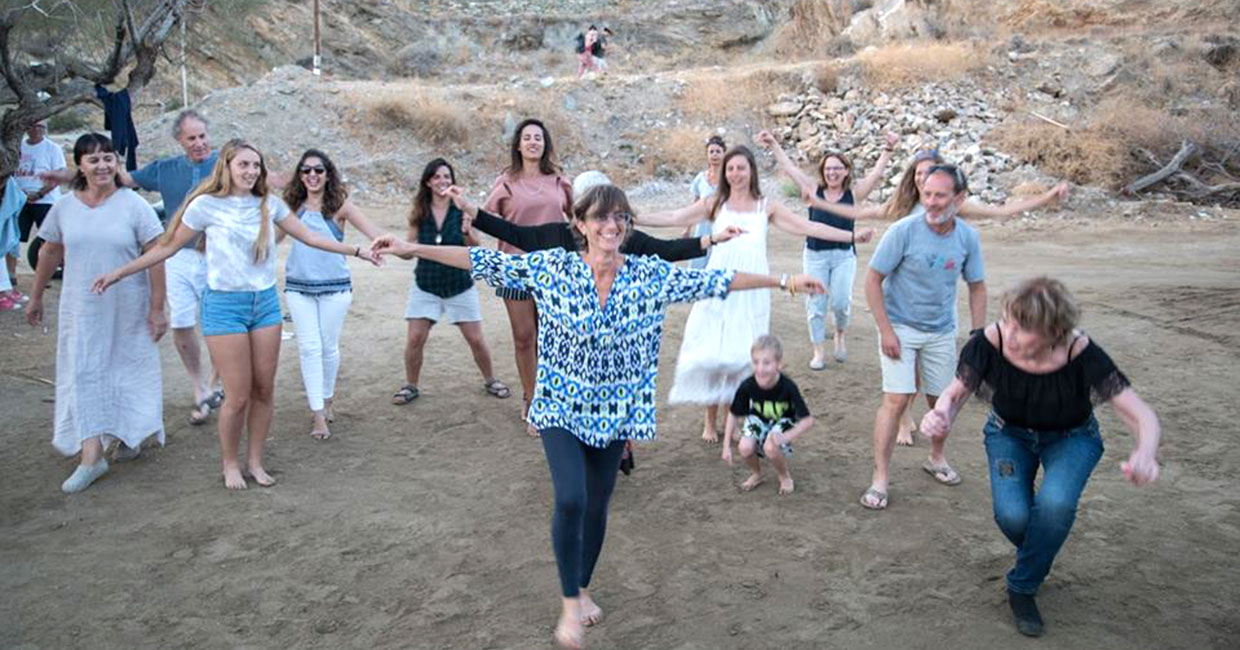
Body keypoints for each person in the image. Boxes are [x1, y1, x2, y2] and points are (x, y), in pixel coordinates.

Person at [369, 183, 825, 650]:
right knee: (570, 498)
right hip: (560, 405)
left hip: (616, 409)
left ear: (626, 226)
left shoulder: (649, 275)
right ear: (581, 225)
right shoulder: (554, 268)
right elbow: (485, 262)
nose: (611, 226)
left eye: (620, 218)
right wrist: (410, 247)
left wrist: (784, 281)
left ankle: (582, 585)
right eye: (601, 219)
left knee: (597, 501)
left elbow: (717, 282)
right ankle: (570, 604)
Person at [91, 139, 381, 490]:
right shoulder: (205, 205)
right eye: (243, 164)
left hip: (264, 305)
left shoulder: (269, 205)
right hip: (224, 306)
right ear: (226, 166)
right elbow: (167, 246)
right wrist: (119, 273)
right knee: (237, 394)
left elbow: (310, 236)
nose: (251, 171)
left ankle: (255, 461)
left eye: (256, 165)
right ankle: (230, 463)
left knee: (264, 389)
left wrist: (358, 250)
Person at [920, 277, 1160, 637]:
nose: (1012, 334)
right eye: (1008, 321)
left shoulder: (1081, 351)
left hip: (1072, 439)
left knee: (1055, 506)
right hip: (1008, 435)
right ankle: (1039, 553)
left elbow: (1140, 414)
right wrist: (940, 415)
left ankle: (1022, 587)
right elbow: (954, 395)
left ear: (1056, 331)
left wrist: (1146, 451)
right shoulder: (991, 341)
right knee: (1013, 516)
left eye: (1025, 329)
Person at [802, 148, 1070, 444]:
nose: (923, 180)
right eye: (918, 174)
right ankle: (905, 419)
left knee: (930, 373)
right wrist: (817, 201)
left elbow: (1001, 212)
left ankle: (927, 430)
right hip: (902, 305)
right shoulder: (902, 208)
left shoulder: (954, 209)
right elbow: (858, 213)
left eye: (929, 174)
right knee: (906, 374)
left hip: (939, 311)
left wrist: (1047, 197)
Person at [635, 145, 874, 443]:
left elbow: (807, 226)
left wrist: (851, 235)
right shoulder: (714, 203)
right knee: (714, 350)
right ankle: (709, 420)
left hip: (754, 287)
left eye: (741, 168)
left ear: (751, 171)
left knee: (741, 354)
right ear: (724, 172)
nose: (735, 173)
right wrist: (631, 217)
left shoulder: (766, 206)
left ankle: (732, 420)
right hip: (718, 283)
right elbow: (673, 216)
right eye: (731, 168)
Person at [25, 134, 167, 493]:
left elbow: (156, 257)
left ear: (116, 163)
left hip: (128, 307)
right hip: (82, 308)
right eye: (93, 160)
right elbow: (48, 254)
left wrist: (156, 308)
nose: (102, 165)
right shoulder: (65, 207)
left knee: (126, 369)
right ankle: (92, 457)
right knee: (85, 372)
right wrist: (36, 297)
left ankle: (128, 432)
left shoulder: (134, 206)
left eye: (108, 158)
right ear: (80, 166)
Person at [859, 164, 986, 510]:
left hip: (941, 330)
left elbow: (977, 286)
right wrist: (885, 330)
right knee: (896, 399)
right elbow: (872, 280)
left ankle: (936, 457)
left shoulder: (967, 238)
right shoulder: (903, 231)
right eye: (927, 194)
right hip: (899, 325)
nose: (931, 202)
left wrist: (977, 335)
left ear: (959, 199)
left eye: (940, 195)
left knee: (941, 402)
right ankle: (880, 479)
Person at [758, 129, 897, 369]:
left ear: (845, 171)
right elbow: (790, 168)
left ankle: (840, 334)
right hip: (815, 256)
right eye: (828, 168)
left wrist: (888, 149)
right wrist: (773, 144)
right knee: (816, 303)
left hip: (844, 256)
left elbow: (875, 175)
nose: (832, 172)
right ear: (823, 171)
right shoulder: (813, 189)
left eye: (837, 168)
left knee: (841, 303)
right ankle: (818, 350)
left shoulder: (853, 193)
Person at [123, 110, 223, 425]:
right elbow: (124, 179)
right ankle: (198, 386)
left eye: (203, 136)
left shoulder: (226, 163)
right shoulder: (165, 169)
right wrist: (68, 176)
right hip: (178, 256)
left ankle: (215, 385)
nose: (199, 143)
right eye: (191, 138)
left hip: (218, 256)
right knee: (181, 322)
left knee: (220, 323)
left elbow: (267, 180)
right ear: (180, 140)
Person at [281, 148, 386, 440]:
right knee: (309, 348)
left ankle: (327, 399)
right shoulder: (291, 206)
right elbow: (270, 241)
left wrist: (403, 248)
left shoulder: (341, 205)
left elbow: (374, 233)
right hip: (298, 288)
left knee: (328, 347)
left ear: (328, 174)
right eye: (306, 170)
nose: (312, 176)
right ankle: (317, 415)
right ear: (299, 176)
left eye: (318, 170)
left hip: (335, 289)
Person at [392, 158, 510, 405]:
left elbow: (475, 247)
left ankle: (491, 380)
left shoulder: (461, 210)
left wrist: (467, 231)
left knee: (476, 338)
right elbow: (408, 249)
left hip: (459, 285)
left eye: (447, 177)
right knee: (415, 337)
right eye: (437, 177)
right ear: (428, 182)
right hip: (426, 284)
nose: (442, 181)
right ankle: (410, 385)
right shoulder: (419, 212)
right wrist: (395, 249)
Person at [484, 118, 574, 436]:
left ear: (545, 144)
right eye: (527, 137)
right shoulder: (506, 181)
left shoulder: (559, 181)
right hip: (516, 271)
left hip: (553, 272)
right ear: (518, 145)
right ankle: (532, 400)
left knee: (552, 339)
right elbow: (485, 217)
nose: (533, 142)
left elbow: (578, 220)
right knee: (524, 338)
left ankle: (552, 398)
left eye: (538, 137)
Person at [721, 334, 814, 495]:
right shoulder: (748, 385)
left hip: (783, 420)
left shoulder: (788, 387)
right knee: (744, 447)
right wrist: (726, 446)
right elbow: (733, 414)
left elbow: (807, 420)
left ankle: (785, 476)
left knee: (770, 447)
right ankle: (757, 474)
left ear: (779, 364)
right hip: (758, 418)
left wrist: (786, 437)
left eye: (766, 363)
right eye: (756, 362)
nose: (760, 369)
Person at [8, 120, 66, 304]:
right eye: (33, 126)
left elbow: (59, 173)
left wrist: (41, 192)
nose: (37, 130)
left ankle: (45, 275)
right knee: (13, 237)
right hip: (20, 198)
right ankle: (10, 274)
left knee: (48, 240)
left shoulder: (52, 148)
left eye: (41, 126)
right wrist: (22, 194)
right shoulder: (18, 147)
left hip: (46, 200)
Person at [684, 135, 725, 270]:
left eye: (718, 151)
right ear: (707, 155)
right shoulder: (700, 179)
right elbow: (694, 206)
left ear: (724, 154)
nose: (714, 155)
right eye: (711, 152)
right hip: (702, 227)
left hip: (722, 226)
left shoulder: (729, 179)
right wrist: (688, 228)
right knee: (698, 264)